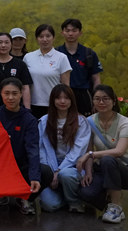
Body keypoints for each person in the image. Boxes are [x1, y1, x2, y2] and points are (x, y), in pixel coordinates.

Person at [77, 85, 128, 224]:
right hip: (102, 168)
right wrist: (89, 172)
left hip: (125, 171)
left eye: (105, 99)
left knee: (107, 159)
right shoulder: (90, 121)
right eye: (97, 99)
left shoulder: (124, 122)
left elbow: (119, 151)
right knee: (86, 193)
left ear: (113, 101)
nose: (101, 102)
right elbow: (88, 149)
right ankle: (110, 195)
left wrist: (91, 154)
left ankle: (116, 207)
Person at [0, 78, 53, 215]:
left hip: (20, 166)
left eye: (15, 93)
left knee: (45, 172)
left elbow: (33, 149)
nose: (10, 97)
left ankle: (24, 198)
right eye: (6, 93)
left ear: (21, 94)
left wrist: (34, 177)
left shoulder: (29, 120)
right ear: (1, 94)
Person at [38, 85, 91, 213]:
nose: (62, 101)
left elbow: (77, 151)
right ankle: (63, 197)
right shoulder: (44, 121)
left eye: (66, 98)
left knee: (65, 175)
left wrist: (58, 171)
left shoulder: (81, 122)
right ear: (53, 100)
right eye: (58, 98)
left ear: (72, 100)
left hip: (72, 167)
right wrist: (50, 172)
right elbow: (41, 149)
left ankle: (74, 201)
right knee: (49, 205)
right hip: (50, 165)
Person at [23, 24, 72, 119]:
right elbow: (25, 84)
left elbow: (66, 85)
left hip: (54, 105)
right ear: (37, 39)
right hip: (32, 105)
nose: (44, 39)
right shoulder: (28, 57)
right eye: (41, 36)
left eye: (48, 36)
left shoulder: (61, 57)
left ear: (53, 38)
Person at [57, 18, 104, 116]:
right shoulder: (56, 53)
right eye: (67, 31)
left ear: (80, 33)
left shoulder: (89, 54)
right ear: (62, 33)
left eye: (74, 31)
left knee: (85, 123)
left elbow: (96, 79)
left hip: (84, 95)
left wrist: (97, 100)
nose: (70, 34)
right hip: (61, 95)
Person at [0, 32, 32, 108]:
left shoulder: (20, 64)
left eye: (7, 42)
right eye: (0, 42)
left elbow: (25, 88)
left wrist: (27, 109)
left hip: (15, 108)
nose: (3, 45)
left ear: (11, 44)